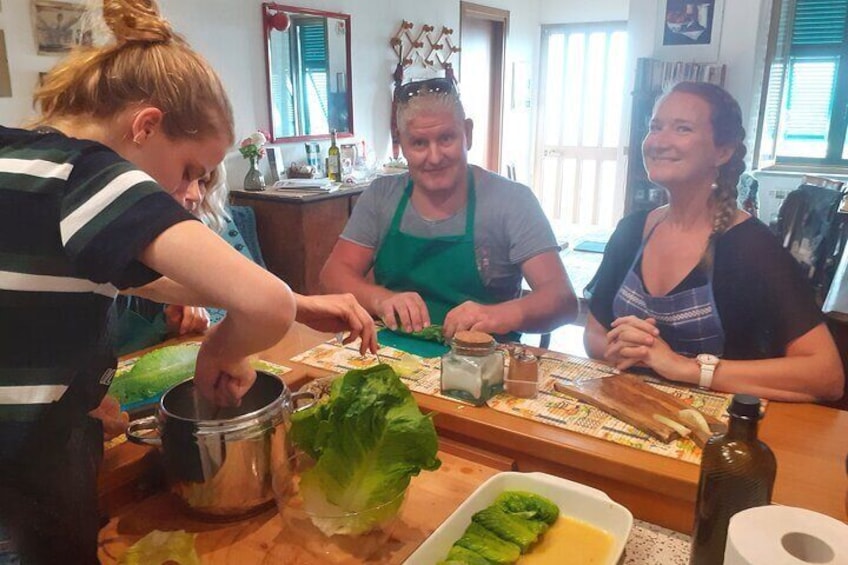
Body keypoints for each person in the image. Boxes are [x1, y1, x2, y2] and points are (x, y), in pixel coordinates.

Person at [0, 1, 376, 562]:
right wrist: (220, 351)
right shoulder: (91, 176)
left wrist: (297, 303)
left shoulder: (23, 161)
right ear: (145, 126)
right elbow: (261, 301)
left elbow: (155, 283)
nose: (194, 191)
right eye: (190, 170)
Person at [584, 81, 844, 403]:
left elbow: (826, 375)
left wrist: (684, 367)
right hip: (631, 412)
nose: (659, 141)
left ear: (723, 151)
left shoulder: (752, 249)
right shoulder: (631, 231)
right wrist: (621, 347)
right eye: (655, 126)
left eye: (682, 129)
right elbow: (594, 333)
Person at [320, 77, 578, 340]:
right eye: (419, 143)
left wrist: (497, 316)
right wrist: (380, 300)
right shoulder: (381, 196)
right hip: (390, 357)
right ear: (401, 145)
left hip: (481, 363)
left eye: (446, 138)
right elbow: (333, 274)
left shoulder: (512, 201)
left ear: (468, 133)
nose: (434, 157)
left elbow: (562, 300)